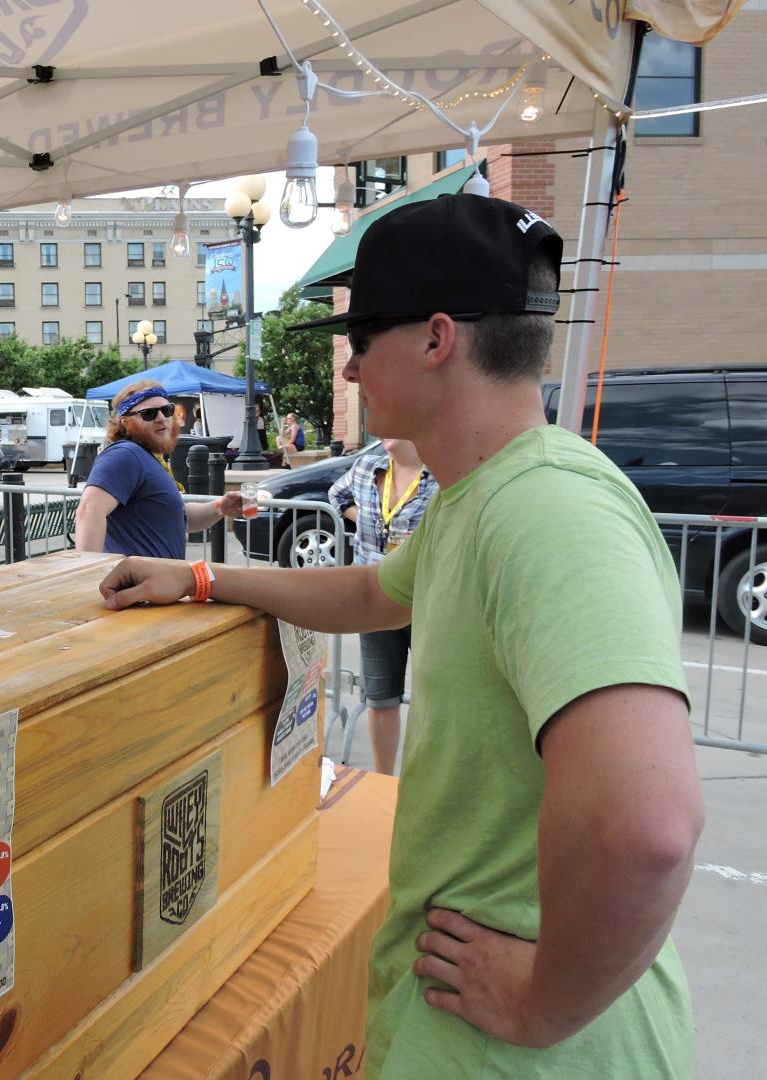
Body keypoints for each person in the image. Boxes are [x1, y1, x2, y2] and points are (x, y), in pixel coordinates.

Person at [95, 195, 702, 1077]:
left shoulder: (549, 511)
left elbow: (649, 826)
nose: (346, 371)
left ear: (435, 338)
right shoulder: (480, 498)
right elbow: (377, 590)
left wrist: (541, 1005)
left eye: (361, 335)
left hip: (528, 1051)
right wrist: (200, 577)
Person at [327, 438, 437, 774]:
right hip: (376, 597)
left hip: (427, 603)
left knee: (432, 703)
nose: (384, 432)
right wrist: (360, 517)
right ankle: (383, 782)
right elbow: (337, 495)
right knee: (380, 699)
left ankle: (421, 790)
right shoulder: (366, 467)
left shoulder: (441, 474)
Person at [75, 380, 245, 558]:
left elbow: (180, 517)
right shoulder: (124, 454)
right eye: (148, 413)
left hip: (160, 582)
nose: (161, 418)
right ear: (125, 422)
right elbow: (89, 511)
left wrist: (221, 507)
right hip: (134, 583)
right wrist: (89, 575)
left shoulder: (147, 457)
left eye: (167, 410)